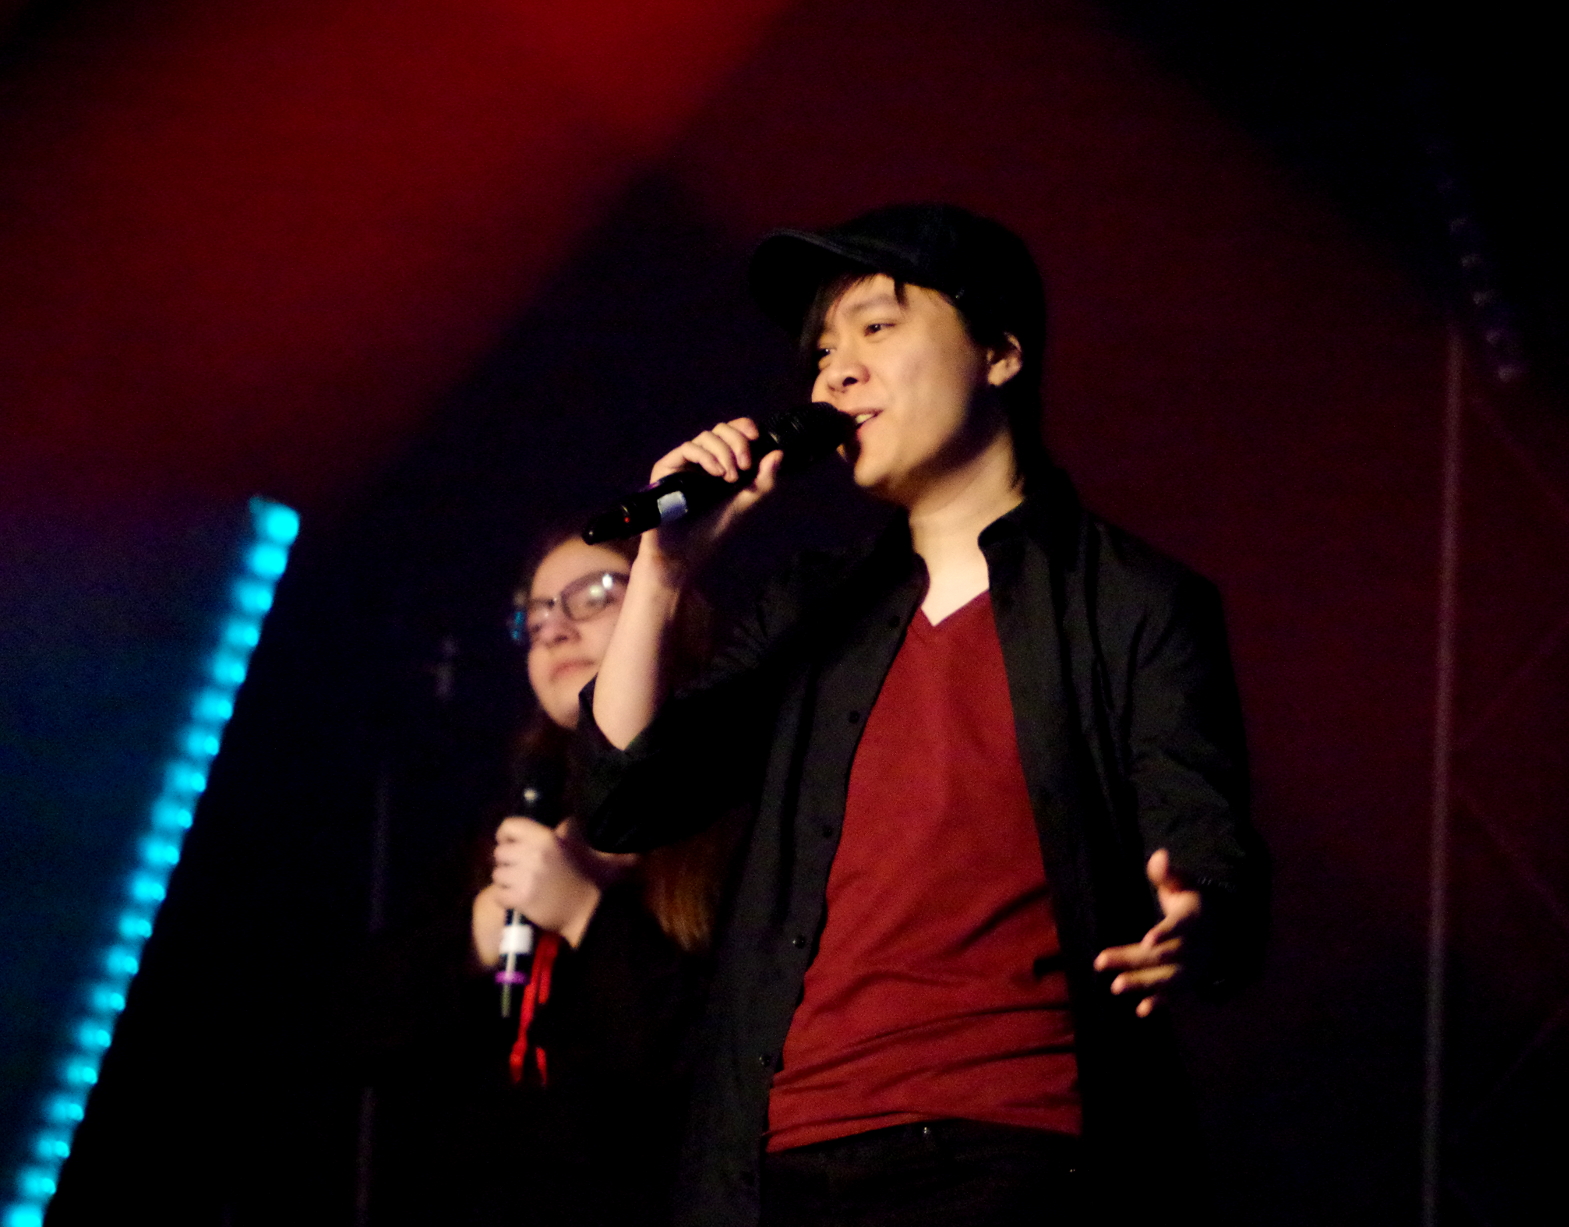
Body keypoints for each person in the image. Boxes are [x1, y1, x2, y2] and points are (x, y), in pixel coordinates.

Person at [574, 204, 1269, 1227]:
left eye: (875, 328)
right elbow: (628, 799)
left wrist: (1196, 914)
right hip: (785, 1153)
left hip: (1013, 1145)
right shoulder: (810, 608)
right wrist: (664, 573)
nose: (834, 376)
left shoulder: (1130, 601)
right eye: (821, 352)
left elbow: (1207, 843)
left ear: (999, 352)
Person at [460, 529, 730, 1226]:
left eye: (595, 596)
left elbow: (717, 1054)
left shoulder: (729, 798)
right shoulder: (518, 799)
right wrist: (470, 940)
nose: (555, 629)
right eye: (537, 616)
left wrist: (585, 912)